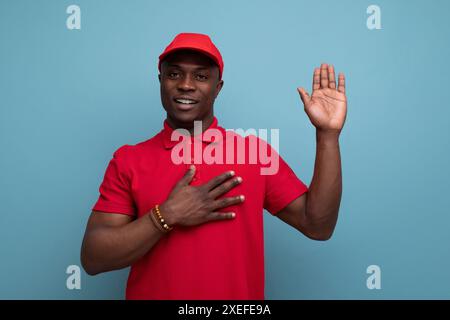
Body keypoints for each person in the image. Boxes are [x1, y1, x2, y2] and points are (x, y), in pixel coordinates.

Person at [80, 32, 347, 300]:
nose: (186, 85)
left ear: (217, 88)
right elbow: (93, 258)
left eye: (201, 76)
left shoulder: (254, 153)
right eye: (174, 74)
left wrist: (327, 135)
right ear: (160, 81)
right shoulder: (128, 160)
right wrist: (165, 216)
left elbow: (318, 226)